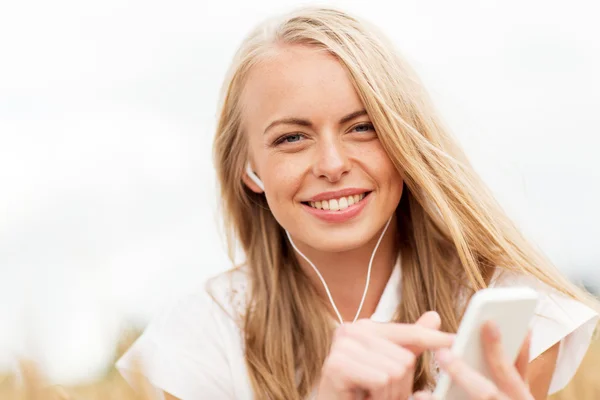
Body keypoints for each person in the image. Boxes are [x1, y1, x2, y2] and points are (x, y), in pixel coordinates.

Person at [116, 5, 599, 400]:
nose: (331, 163)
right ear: (250, 170)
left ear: (403, 139)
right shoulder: (199, 339)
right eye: (291, 138)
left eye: (362, 127)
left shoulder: (505, 305)